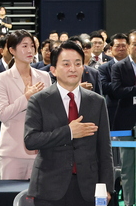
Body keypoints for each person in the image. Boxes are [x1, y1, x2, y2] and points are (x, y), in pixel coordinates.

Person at [24, 41, 114, 206]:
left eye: (78, 63)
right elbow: (30, 140)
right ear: (53, 70)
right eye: (66, 64)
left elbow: (104, 149)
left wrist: (107, 187)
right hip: (49, 189)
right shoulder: (39, 100)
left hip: (88, 189)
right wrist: (69, 132)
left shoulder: (97, 101)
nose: (73, 68)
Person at [0, 30, 51, 180]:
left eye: (32, 46)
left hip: (39, 151)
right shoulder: (2, 78)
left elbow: (49, 112)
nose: (30, 50)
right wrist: (26, 98)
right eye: (24, 46)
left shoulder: (44, 76)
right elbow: (3, 114)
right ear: (12, 50)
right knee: (9, 198)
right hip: (12, 152)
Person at [111, 31, 136, 206]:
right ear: (128, 46)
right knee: (127, 167)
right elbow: (116, 91)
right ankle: (128, 203)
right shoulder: (118, 67)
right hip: (126, 125)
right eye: (135, 44)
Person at [98, 33, 129, 129]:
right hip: (113, 110)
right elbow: (104, 87)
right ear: (111, 48)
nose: (121, 48)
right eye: (117, 46)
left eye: (123, 46)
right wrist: (121, 85)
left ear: (128, 47)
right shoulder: (104, 68)